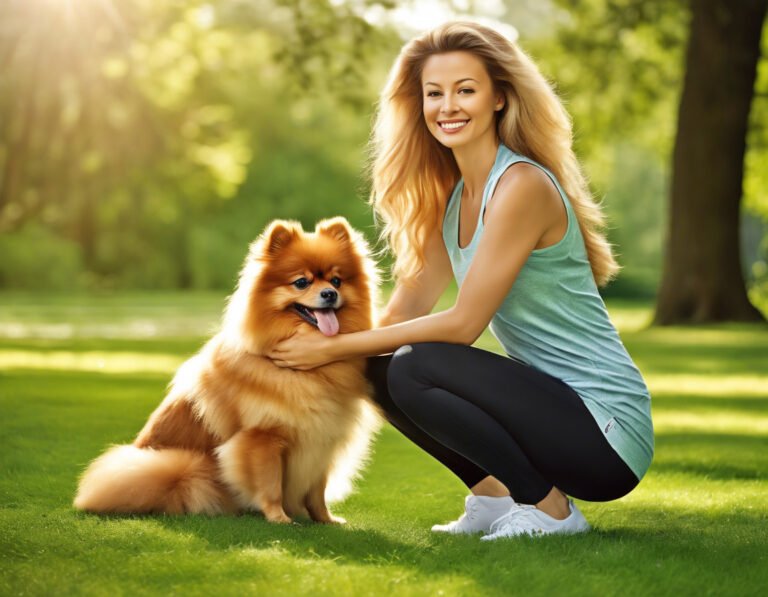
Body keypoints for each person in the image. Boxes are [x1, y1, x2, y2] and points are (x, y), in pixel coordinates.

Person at [268, 20, 654, 540]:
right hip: (552, 413)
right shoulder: (451, 202)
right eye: (434, 93)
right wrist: (307, 349)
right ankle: (495, 498)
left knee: (414, 365)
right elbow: (404, 311)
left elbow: (463, 324)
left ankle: (550, 511)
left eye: (465, 90)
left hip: (605, 432)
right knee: (381, 369)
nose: (447, 106)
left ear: (499, 97)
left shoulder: (520, 186)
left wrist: (333, 350)